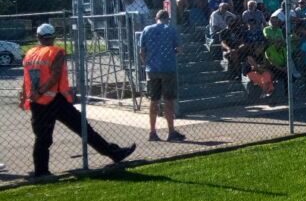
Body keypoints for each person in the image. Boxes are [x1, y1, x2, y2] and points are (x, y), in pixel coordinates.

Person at [21, 24, 135, 177]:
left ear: (38, 37)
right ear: (53, 37)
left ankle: (41, 171)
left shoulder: (30, 53)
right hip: (54, 98)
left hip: (38, 101)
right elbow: (54, 77)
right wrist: (41, 91)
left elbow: (26, 77)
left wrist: (25, 95)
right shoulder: (56, 52)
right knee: (83, 129)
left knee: (42, 137)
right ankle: (113, 153)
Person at [140, 10, 186, 142]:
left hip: (152, 69)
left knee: (154, 100)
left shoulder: (147, 29)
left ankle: (152, 131)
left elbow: (142, 51)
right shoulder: (171, 29)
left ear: (156, 18)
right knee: (168, 100)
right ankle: (171, 131)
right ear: (167, 18)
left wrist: (146, 64)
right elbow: (180, 49)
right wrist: (174, 52)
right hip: (168, 68)